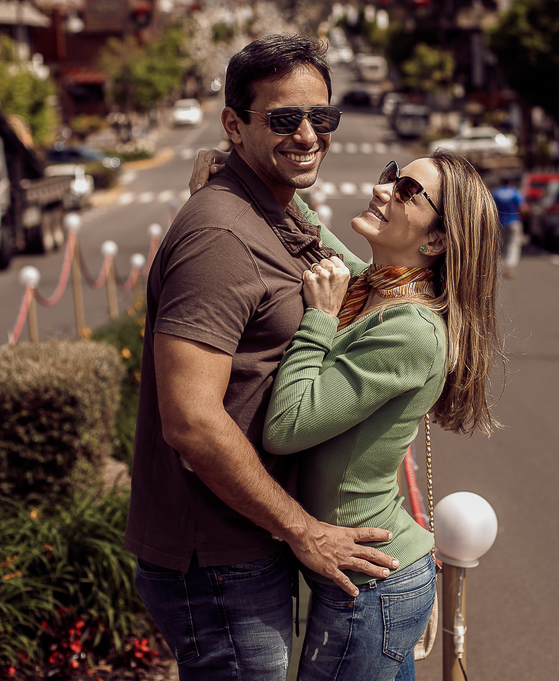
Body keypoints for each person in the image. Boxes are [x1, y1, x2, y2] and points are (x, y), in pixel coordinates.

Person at [125, 34, 399, 680]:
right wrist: (302, 529)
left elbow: (362, 282)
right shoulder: (222, 235)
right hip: (220, 560)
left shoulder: (268, 209)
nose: (308, 135)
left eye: (321, 118)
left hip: (245, 543)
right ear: (234, 123)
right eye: (283, 119)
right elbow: (190, 421)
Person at [263, 153, 502, 681]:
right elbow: (311, 229)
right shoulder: (375, 284)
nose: (381, 188)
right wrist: (238, 169)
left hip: (372, 586)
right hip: (367, 578)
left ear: (437, 241)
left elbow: (286, 427)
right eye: (392, 174)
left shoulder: (411, 330)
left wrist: (320, 319)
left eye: (407, 190)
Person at [492, 174, 522, 277]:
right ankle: (509, 266)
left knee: (502, 245)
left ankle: (500, 265)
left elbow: (491, 207)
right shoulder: (514, 192)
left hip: (500, 223)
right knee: (513, 244)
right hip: (513, 222)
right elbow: (523, 207)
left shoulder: (496, 193)